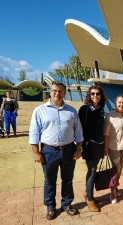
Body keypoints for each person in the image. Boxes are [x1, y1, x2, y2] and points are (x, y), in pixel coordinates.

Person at [29, 81, 83, 220]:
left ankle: (66, 204)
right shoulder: (40, 110)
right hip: (48, 151)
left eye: (60, 91)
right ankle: (50, 207)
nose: (57, 93)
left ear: (64, 93)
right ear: (50, 92)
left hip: (69, 150)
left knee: (68, 179)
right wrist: (36, 152)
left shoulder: (71, 111)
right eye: (54, 91)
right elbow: (34, 133)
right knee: (49, 180)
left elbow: (78, 132)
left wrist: (79, 149)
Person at [78, 85, 106, 212]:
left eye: (98, 94)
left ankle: (87, 193)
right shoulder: (84, 109)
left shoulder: (101, 109)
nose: (95, 96)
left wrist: (103, 146)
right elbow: (79, 128)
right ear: (89, 95)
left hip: (99, 145)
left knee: (92, 171)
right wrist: (84, 143)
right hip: (89, 146)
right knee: (92, 170)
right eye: (93, 93)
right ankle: (90, 199)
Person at [104, 95, 123, 204]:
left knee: (120, 169)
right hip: (114, 146)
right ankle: (112, 192)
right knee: (116, 168)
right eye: (119, 103)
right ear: (115, 103)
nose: (121, 105)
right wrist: (105, 148)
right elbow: (106, 133)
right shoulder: (110, 116)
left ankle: (115, 187)